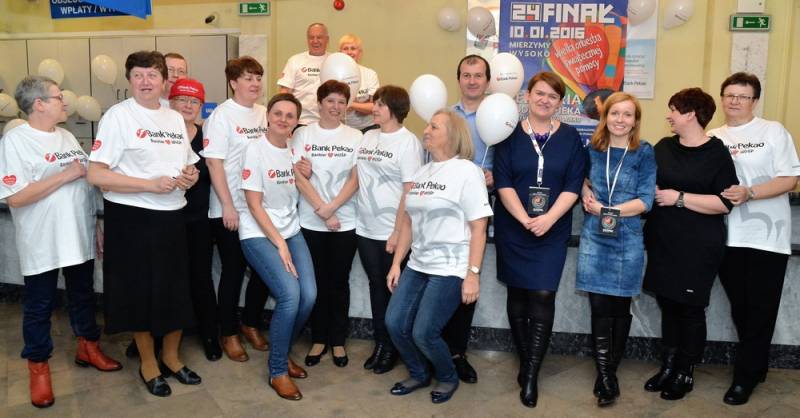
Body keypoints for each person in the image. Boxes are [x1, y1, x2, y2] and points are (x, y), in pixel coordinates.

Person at [0, 75, 122, 408]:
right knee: (39, 306)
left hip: (77, 235)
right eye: (58, 97)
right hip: (43, 241)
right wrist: (65, 174)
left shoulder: (66, 136)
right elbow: (16, 197)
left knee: (83, 296)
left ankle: (88, 347)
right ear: (39, 104)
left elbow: (84, 183)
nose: (65, 102)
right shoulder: (15, 140)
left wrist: (94, 225)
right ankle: (38, 367)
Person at [87, 50, 201, 397]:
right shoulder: (118, 117)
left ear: (164, 81)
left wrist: (190, 176)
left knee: (174, 290)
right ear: (129, 81)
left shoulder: (173, 118)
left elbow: (189, 165)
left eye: (152, 75)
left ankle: (172, 358)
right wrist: (148, 185)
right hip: (132, 219)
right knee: (140, 293)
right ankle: (149, 363)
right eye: (138, 75)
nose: (145, 81)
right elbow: (96, 174)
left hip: (171, 217)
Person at [385, 109, 493, 404]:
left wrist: (472, 274)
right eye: (427, 126)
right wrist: (396, 264)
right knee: (394, 323)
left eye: (434, 127)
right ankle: (419, 373)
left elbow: (479, 227)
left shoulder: (467, 171)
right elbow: (408, 222)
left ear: (452, 135)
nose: (426, 130)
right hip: (418, 264)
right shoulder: (422, 172)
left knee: (424, 332)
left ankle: (447, 376)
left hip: (450, 267)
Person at [493, 72, 586, 408]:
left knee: (544, 294)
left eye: (553, 96)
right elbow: (502, 181)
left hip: (552, 228)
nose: (545, 100)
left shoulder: (571, 137)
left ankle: (531, 374)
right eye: (540, 93)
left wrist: (547, 219)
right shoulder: (507, 133)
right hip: (514, 226)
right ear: (527, 96)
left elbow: (574, 184)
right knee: (518, 294)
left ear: (560, 103)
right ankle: (525, 361)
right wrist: (524, 219)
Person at [707, 72, 800, 405]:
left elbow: (790, 179)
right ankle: (756, 363)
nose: (735, 101)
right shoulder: (712, 136)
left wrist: (751, 192)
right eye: (729, 95)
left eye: (743, 96)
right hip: (727, 235)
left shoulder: (772, 131)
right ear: (722, 98)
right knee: (741, 307)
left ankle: (744, 377)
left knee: (761, 308)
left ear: (754, 101)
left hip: (767, 236)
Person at [642, 87, 738, 401]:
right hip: (663, 241)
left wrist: (679, 198)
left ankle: (685, 371)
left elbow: (724, 203)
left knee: (690, 309)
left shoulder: (716, 153)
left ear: (690, 114)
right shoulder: (664, 147)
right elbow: (646, 183)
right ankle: (668, 366)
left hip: (698, 246)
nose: (669, 115)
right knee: (668, 305)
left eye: (673, 109)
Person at [578, 92, 657, 406]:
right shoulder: (592, 150)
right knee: (599, 307)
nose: (620, 120)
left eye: (627, 114)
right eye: (615, 113)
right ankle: (605, 375)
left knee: (620, 308)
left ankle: (609, 371)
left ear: (635, 121)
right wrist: (585, 192)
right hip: (594, 237)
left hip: (627, 238)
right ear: (605, 117)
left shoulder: (644, 152)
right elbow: (581, 180)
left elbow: (646, 201)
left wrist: (606, 211)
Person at [239, 93, 316, 401]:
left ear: (296, 122)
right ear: (268, 117)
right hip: (258, 233)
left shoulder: (294, 150)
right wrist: (280, 244)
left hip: (290, 229)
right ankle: (277, 371)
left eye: (290, 115)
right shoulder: (255, 150)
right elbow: (254, 205)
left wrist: (305, 174)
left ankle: (281, 351)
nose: (283, 119)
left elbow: (297, 184)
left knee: (309, 296)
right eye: (278, 113)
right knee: (289, 295)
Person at [201, 56, 271, 362]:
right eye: (248, 78)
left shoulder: (264, 113)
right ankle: (228, 332)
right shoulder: (221, 116)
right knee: (233, 271)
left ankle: (250, 323)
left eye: (258, 78)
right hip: (229, 208)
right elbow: (214, 163)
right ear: (233, 83)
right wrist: (228, 205)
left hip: (259, 207)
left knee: (264, 270)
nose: (255, 83)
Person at [292, 80, 362, 368]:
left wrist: (332, 208)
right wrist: (323, 210)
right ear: (319, 103)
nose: (336, 107)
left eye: (341, 102)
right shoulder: (302, 134)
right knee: (317, 282)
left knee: (339, 282)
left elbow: (356, 179)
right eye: (330, 101)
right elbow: (298, 176)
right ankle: (319, 338)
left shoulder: (356, 136)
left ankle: (338, 340)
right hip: (311, 222)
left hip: (345, 222)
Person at [355, 85, 424, 374]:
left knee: (392, 289)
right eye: (375, 103)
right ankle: (381, 343)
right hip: (365, 228)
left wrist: (397, 232)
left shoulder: (408, 143)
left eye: (380, 104)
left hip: (391, 231)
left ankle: (394, 347)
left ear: (395, 109)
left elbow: (409, 192)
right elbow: (356, 176)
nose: (374, 108)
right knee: (376, 286)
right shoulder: (368, 136)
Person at [444, 54, 495, 384]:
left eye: (478, 75)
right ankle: (436, 349)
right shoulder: (446, 116)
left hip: (476, 211)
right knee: (441, 279)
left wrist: (495, 176)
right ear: (459, 79)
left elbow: (509, 162)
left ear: (487, 81)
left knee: (468, 280)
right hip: (444, 211)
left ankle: (457, 354)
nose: (472, 81)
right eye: (466, 75)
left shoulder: (500, 116)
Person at [168, 78, 221, 361]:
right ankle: (155, 336)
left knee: (201, 277)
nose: (188, 106)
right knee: (166, 279)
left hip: (199, 219)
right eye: (182, 100)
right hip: (166, 218)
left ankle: (210, 334)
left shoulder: (206, 137)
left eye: (194, 101)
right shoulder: (161, 135)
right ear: (171, 102)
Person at [278, 23, 330, 126]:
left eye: (319, 37)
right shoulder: (295, 60)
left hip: (328, 122)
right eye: (311, 37)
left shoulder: (334, 60)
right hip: (300, 121)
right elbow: (285, 92)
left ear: (327, 39)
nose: (315, 41)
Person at [338, 34, 380, 133]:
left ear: (360, 52)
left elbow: (374, 107)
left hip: (369, 129)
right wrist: (362, 105)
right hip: (342, 129)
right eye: (345, 48)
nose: (349, 52)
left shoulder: (370, 74)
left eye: (353, 48)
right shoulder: (333, 74)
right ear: (340, 53)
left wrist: (351, 104)